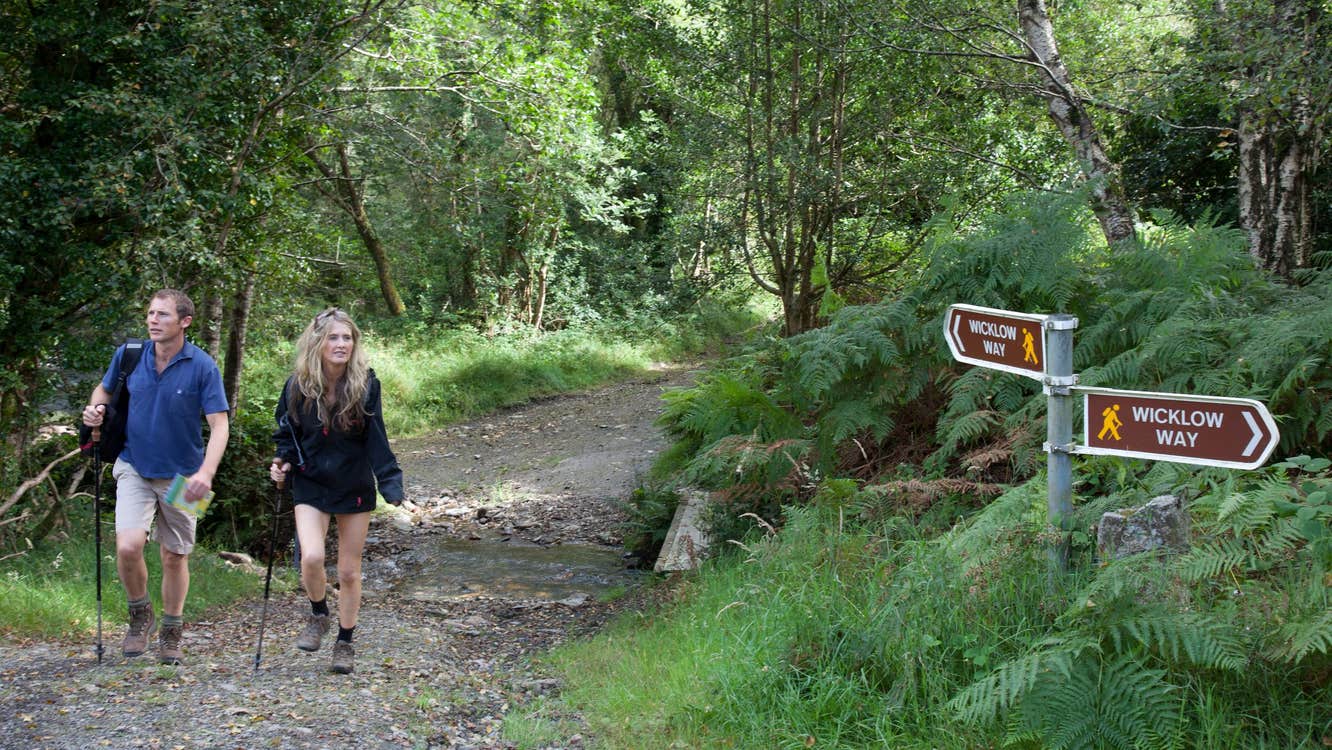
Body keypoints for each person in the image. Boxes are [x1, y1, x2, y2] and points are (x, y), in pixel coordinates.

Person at [81, 289, 230, 665]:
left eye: (162, 314)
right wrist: (96, 409)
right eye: (150, 313)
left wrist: (206, 474)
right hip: (134, 465)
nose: (152, 320)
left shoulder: (203, 366)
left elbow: (219, 425)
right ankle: (138, 615)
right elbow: (104, 389)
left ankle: (172, 630)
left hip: (187, 476)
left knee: (175, 557)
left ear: (184, 322)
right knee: (128, 546)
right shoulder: (130, 355)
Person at [270, 307, 403, 675]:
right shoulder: (297, 384)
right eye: (333, 337)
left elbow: (377, 439)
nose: (341, 344)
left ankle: (345, 642)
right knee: (311, 558)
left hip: (353, 482)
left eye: (347, 338)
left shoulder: (365, 384)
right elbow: (287, 431)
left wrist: (390, 481)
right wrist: (282, 461)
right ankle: (318, 614)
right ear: (318, 343)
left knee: (348, 572)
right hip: (310, 480)